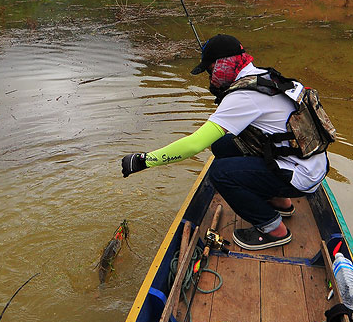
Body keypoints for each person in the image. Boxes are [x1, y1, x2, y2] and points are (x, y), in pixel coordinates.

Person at [121, 34, 329, 250]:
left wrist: (144, 161)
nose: (211, 77)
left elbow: (194, 144)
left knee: (220, 172)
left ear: (223, 65)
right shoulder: (266, 76)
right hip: (310, 163)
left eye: (211, 70)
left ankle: (274, 230)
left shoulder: (244, 95)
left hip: (300, 175)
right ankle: (280, 202)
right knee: (222, 145)